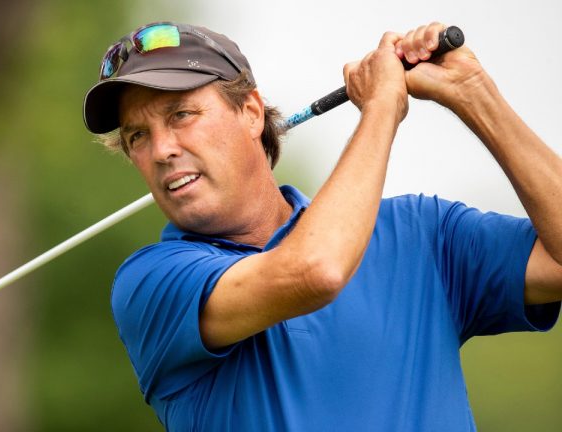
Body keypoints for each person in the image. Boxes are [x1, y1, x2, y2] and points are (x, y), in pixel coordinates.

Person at [82, 21, 562, 431]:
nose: (162, 149)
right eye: (138, 136)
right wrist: (381, 108)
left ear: (250, 113)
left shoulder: (422, 233)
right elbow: (317, 270)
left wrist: (474, 94)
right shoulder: (153, 281)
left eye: (181, 115)